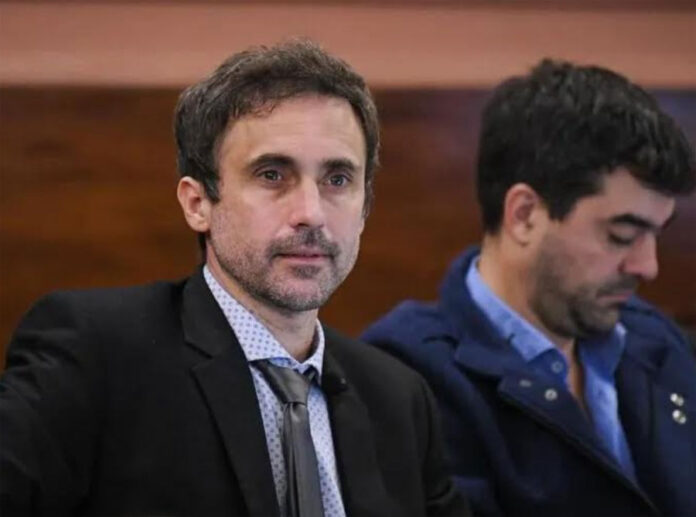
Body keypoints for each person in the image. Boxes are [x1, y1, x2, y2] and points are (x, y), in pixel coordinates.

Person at [0, 40, 469, 517]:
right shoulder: (96, 353)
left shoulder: (398, 399)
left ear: (365, 208)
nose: (311, 213)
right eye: (272, 175)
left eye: (337, 179)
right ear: (197, 203)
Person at [363, 59, 696, 517]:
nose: (648, 266)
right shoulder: (406, 376)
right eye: (622, 234)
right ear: (524, 215)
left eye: (657, 234)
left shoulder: (656, 339)